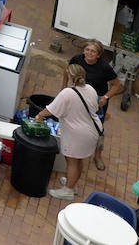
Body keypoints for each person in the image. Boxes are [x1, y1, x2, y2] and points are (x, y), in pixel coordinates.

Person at [35, 63, 103, 199]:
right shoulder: (90, 89)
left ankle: (68, 190)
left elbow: (50, 110)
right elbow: (94, 108)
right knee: (79, 160)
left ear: (70, 76)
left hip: (77, 135)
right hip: (93, 131)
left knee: (72, 161)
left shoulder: (67, 93)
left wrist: (39, 115)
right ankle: (73, 183)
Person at [69, 39, 122, 172]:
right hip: (79, 96)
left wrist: (105, 97)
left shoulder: (104, 68)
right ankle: (73, 150)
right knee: (76, 122)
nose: (89, 53)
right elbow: (67, 70)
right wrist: (64, 87)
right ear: (83, 50)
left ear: (98, 55)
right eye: (87, 50)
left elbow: (117, 85)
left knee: (98, 129)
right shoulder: (77, 59)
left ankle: (97, 156)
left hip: (97, 101)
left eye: (93, 51)